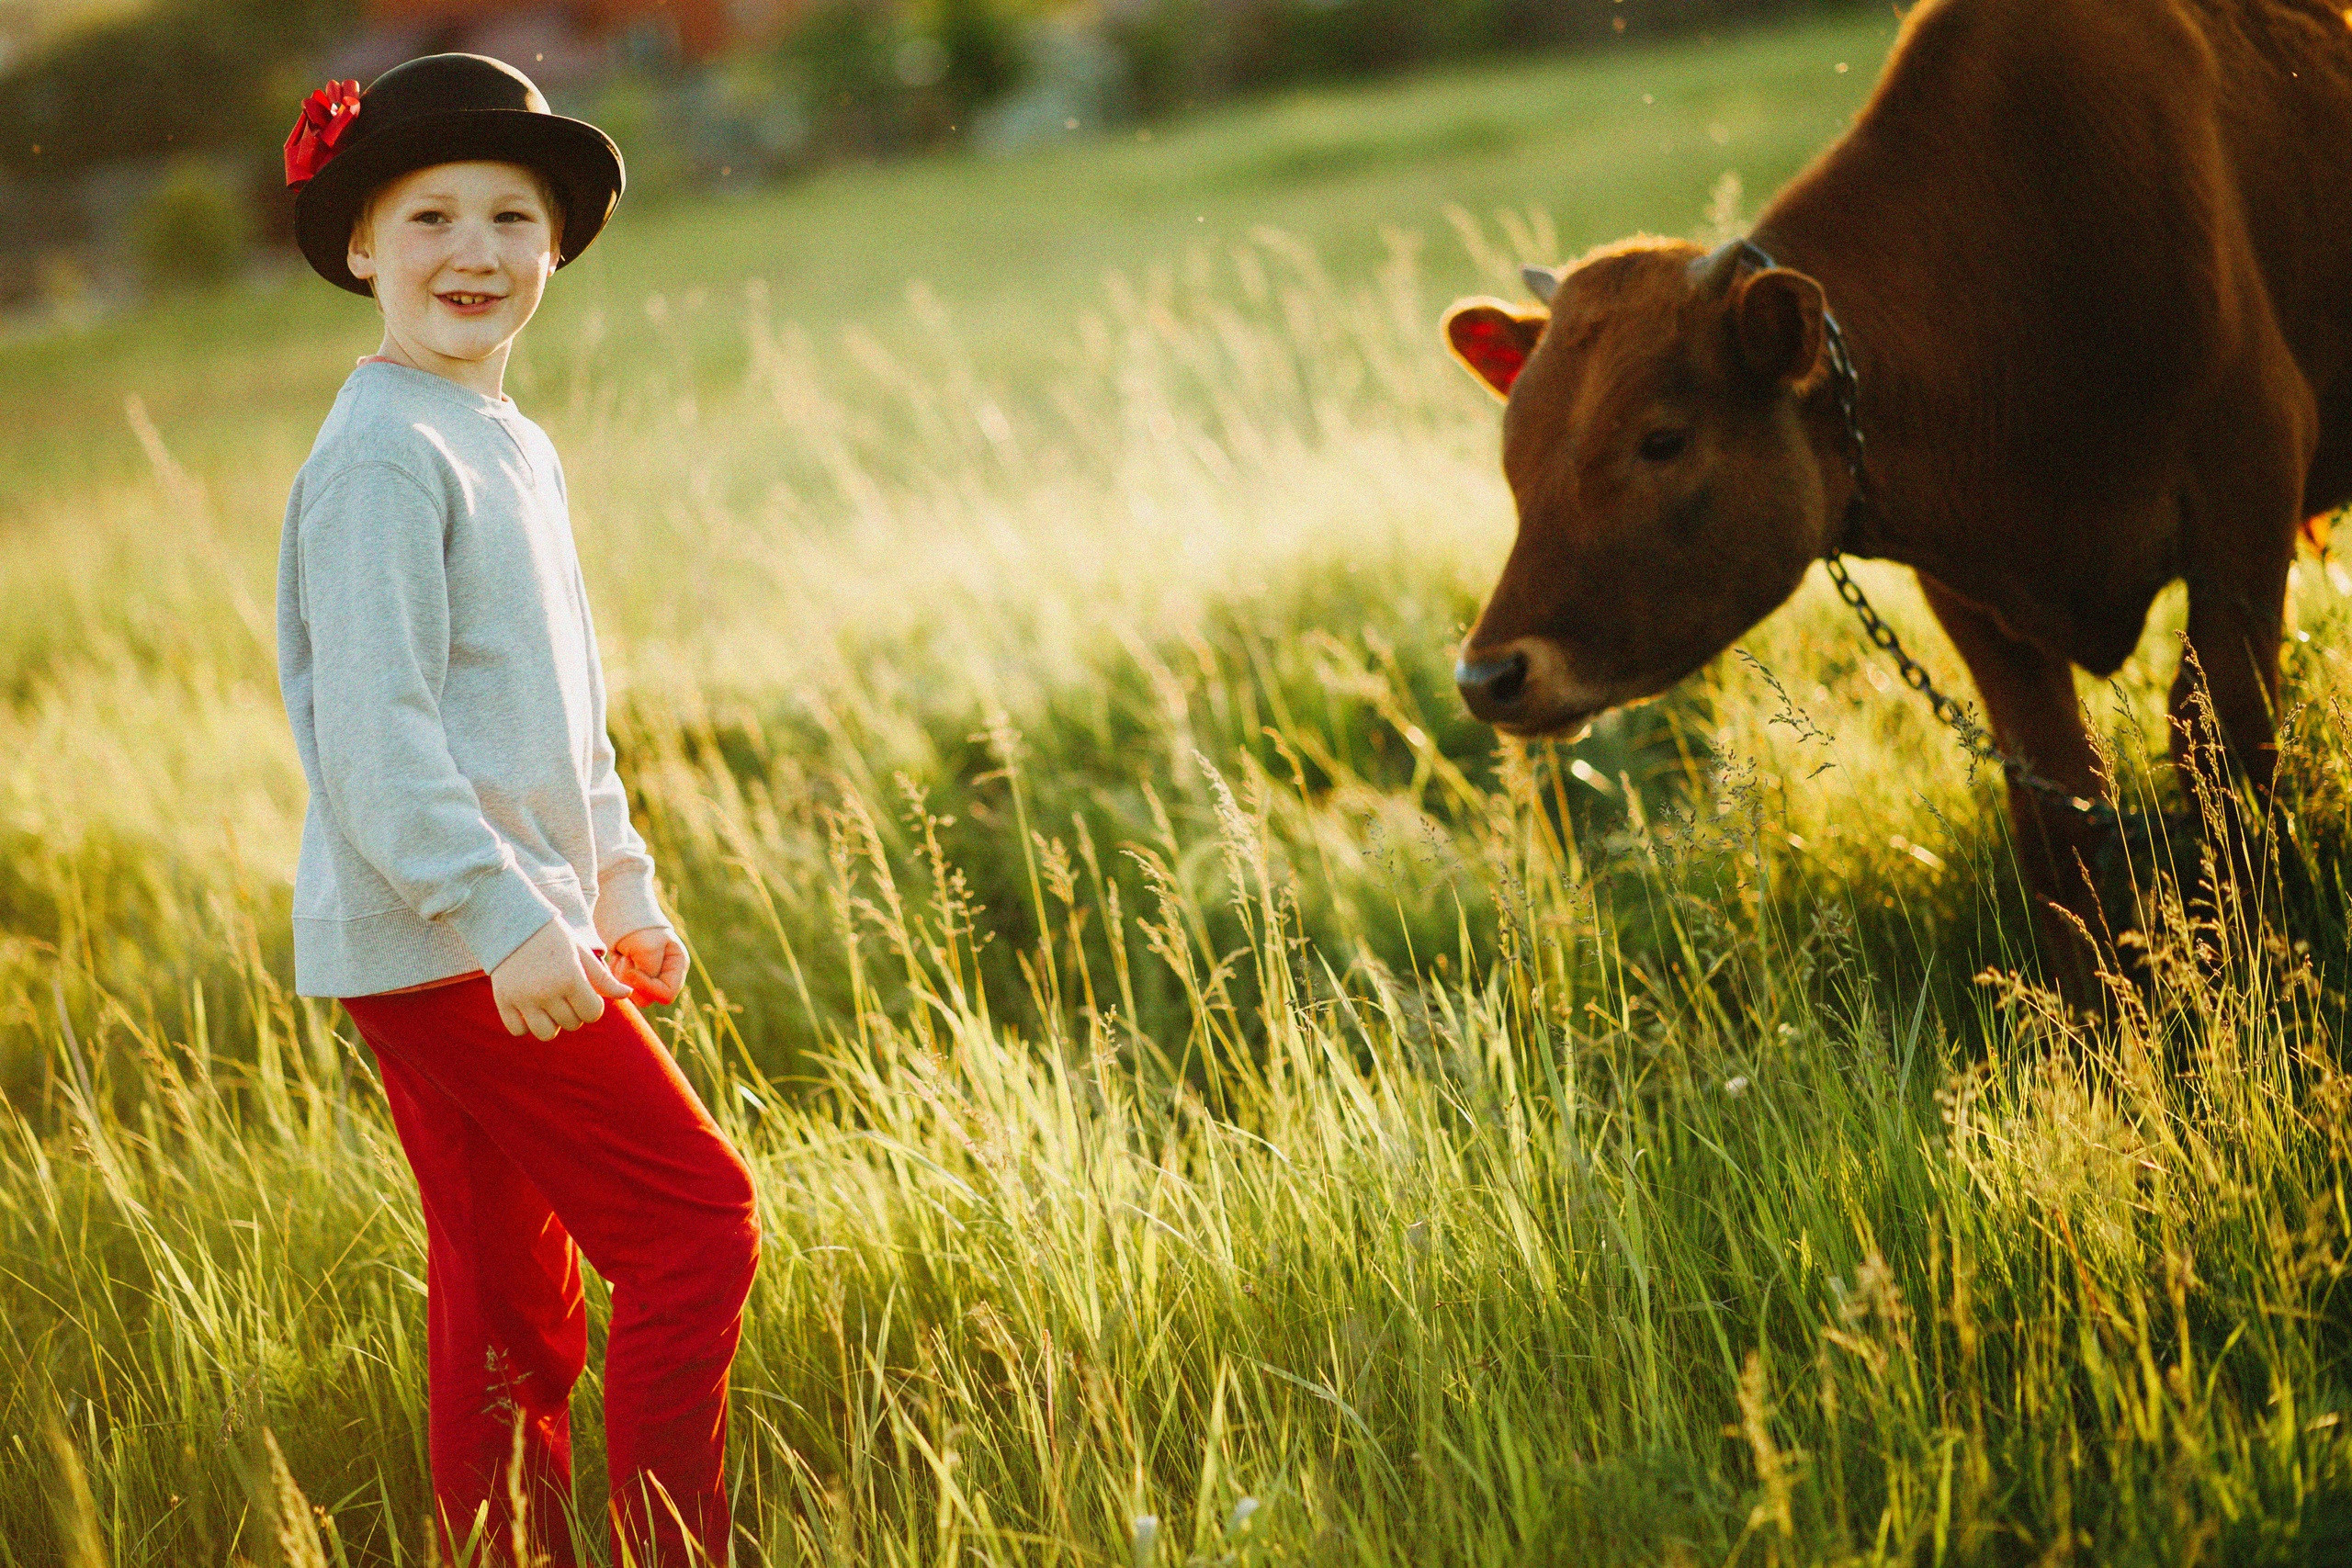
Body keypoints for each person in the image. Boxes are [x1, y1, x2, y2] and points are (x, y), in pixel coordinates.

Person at [274, 54, 760, 1567]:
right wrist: (502, 916)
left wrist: (616, 880)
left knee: (511, 1294)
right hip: (446, 935)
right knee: (696, 1226)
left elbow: (562, 703)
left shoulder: (504, 440)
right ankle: (676, 1548)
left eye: (511, 218)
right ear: (361, 244)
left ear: (555, 251)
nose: (472, 252)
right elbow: (377, 735)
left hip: (488, 928)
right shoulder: (381, 460)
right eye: (428, 218)